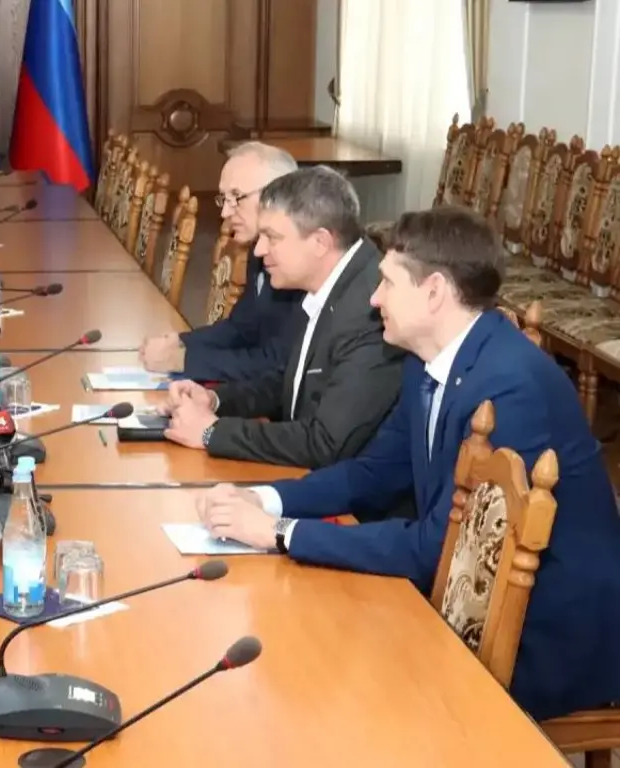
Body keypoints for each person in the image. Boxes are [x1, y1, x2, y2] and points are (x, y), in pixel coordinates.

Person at [196, 206, 620, 722]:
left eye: (387, 283)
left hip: (545, 633)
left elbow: (440, 548)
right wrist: (264, 499)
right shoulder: (429, 360)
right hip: (473, 593)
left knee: (327, 683)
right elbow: (374, 472)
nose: (374, 299)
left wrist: (282, 533)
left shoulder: (509, 387)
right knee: (309, 647)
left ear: (434, 291)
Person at [164, 166, 404, 476]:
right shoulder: (333, 282)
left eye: (272, 237)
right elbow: (292, 381)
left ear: (320, 242)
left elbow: (325, 443)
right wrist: (215, 400)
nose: (259, 249)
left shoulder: (369, 309)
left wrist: (212, 432)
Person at [139, 142, 304, 381]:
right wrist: (181, 342)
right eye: (224, 199)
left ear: (277, 195)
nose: (225, 213)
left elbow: (276, 364)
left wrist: (183, 360)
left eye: (236, 197)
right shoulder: (258, 250)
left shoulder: (300, 265)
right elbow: (241, 329)